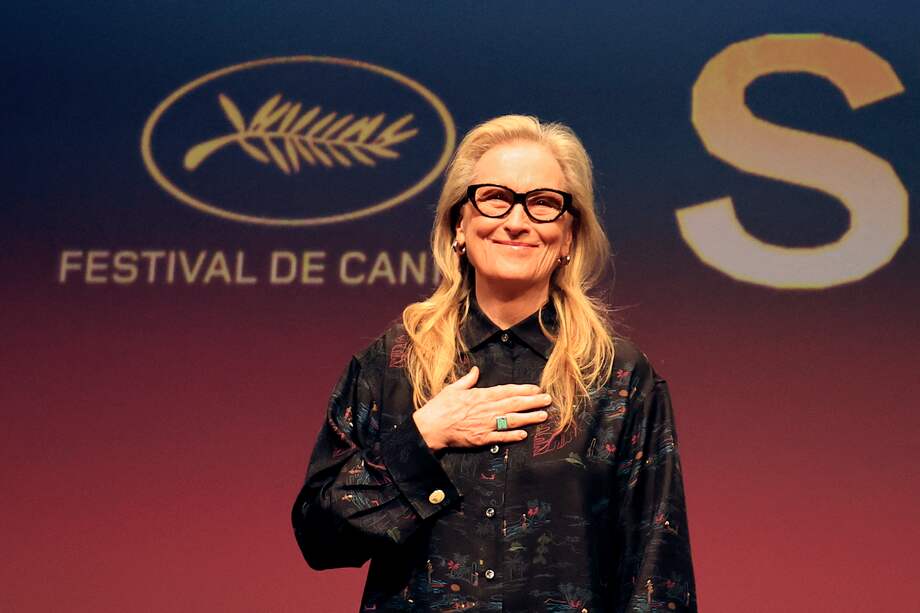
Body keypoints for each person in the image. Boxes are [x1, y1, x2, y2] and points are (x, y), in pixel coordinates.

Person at [291, 115, 698, 612]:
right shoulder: (392, 364)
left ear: (570, 236)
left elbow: (658, 575)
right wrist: (421, 439)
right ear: (459, 224)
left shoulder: (618, 377)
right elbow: (319, 538)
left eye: (543, 203)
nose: (517, 221)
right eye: (495, 197)